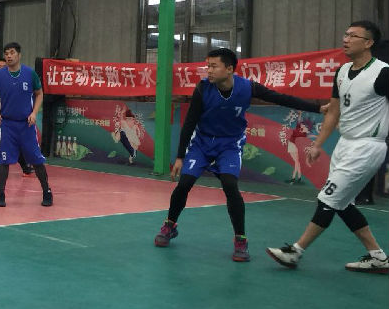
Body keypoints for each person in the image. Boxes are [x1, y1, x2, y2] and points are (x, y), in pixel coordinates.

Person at [154, 47, 322, 261]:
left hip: (230, 144)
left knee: (230, 184)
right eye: (207, 66)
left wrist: (318, 109)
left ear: (229, 69)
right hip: (203, 143)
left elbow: (281, 98)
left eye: (214, 66)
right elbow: (189, 123)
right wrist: (180, 156)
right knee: (185, 183)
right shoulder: (203, 89)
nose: (209, 70)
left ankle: (240, 240)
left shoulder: (248, 87)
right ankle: (170, 225)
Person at [266, 21, 388, 273]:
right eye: (346, 34)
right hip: (345, 144)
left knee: (328, 198)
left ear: (368, 43)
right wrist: (318, 144)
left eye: (353, 36)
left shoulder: (383, 73)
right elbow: (333, 111)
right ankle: (378, 257)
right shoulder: (342, 71)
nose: (346, 39)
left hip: (367, 146)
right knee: (342, 202)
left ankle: (295, 252)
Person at [0, 42, 52, 207]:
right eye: (6, 53)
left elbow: (39, 93)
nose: (9, 56)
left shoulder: (30, 73)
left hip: (26, 125)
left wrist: (34, 113)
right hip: (7, 125)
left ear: (19, 55)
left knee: (36, 159)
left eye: (12, 53)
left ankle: (47, 191)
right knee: (4, 160)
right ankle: (0, 194)